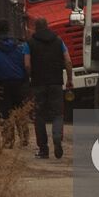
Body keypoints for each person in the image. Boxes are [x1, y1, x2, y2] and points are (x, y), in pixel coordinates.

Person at [25, 17, 73, 159]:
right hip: (56, 83)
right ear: (48, 26)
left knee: (39, 116)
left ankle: (43, 149)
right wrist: (69, 79)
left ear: (35, 28)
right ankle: (57, 137)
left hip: (38, 83)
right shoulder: (59, 41)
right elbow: (68, 61)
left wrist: (31, 76)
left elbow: (27, 64)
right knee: (58, 113)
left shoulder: (30, 43)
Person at [0, 20, 30, 147]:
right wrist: (25, 79)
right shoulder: (20, 45)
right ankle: (24, 137)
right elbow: (25, 63)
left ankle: (8, 140)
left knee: (4, 112)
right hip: (19, 82)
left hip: (1, 83)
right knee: (20, 109)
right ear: (9, 29)